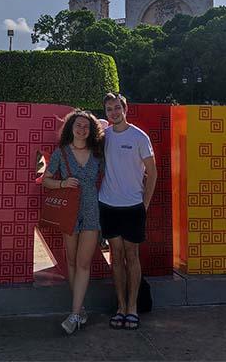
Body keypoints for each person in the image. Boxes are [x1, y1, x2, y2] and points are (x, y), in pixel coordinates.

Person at [41, 109, 106, 335]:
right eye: (78, 125)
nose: (81, 129)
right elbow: (46, 181)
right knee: (71, 260)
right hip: (69, 212)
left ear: (91, 130)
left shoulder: (97, 154)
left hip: (91, 212)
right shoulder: (61, 153)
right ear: (71, 127)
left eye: (86, 126)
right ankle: (80, 309)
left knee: (83, 263)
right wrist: (62, 184)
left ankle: (74, 314)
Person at [98, 92, 156, 330]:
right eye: (109, 109)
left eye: (116, 108)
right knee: (116, 257)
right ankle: (120, 307)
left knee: (132, 257)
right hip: (108, 205)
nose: (113, 113)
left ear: (125, 109)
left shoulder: (139, 137)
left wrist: (144, 205)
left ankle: (133, 308)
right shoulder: (105, 136)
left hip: (133, 207)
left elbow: (152, 173)